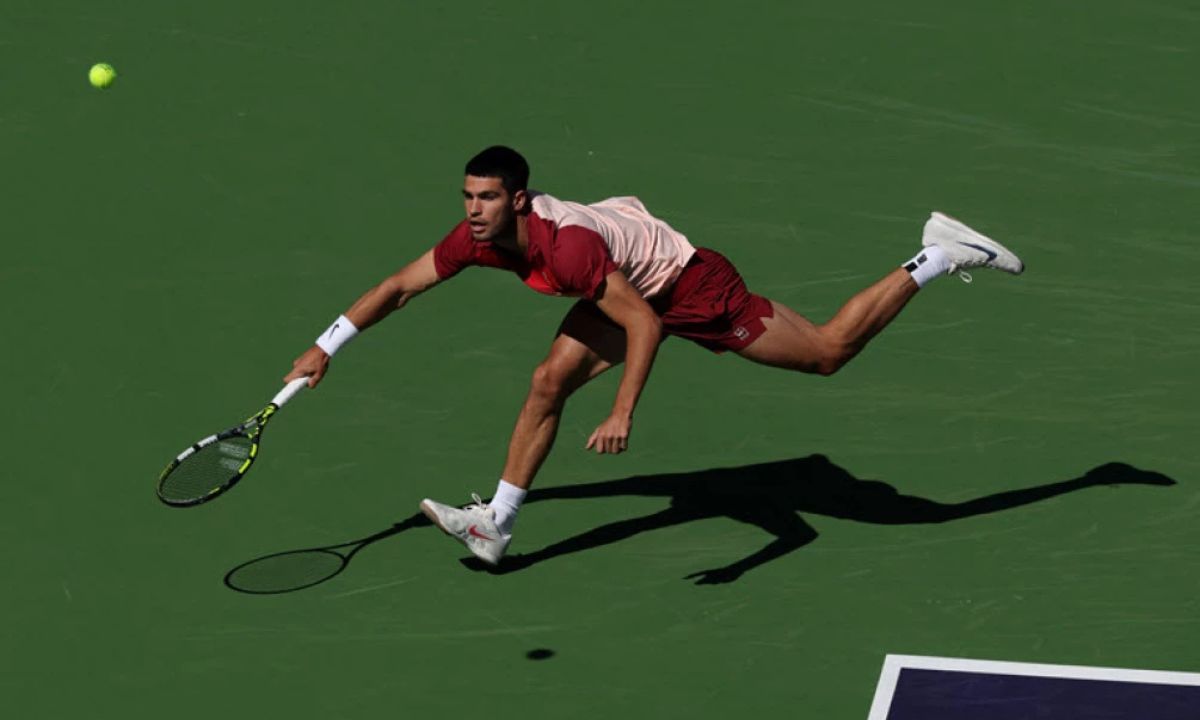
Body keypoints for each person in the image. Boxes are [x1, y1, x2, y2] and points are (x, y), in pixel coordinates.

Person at [284, 145, 1024, 566]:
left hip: (687, 286)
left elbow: (643, 325)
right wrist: (327, 344)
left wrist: (622, 410)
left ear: (519, 200)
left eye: (485, 198)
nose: (471, 209)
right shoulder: (472, 239)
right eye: (466, 196)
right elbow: (397, 287)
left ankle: (934, 254)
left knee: (829, 351)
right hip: (626, 276)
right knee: (547, 382)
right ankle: (497, 524)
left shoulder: (564, 248)